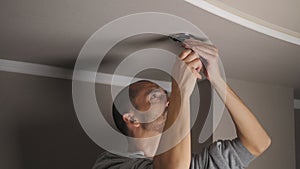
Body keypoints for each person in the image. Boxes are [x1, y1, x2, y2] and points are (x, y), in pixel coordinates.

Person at [92, 39, 271, 169]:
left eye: (167, 95)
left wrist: (216, 79)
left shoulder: (192, 165)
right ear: (131, 118)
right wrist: (180, 89)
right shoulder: (110, 164)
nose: (169, 100)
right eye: (154, 96)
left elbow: (258, 143)